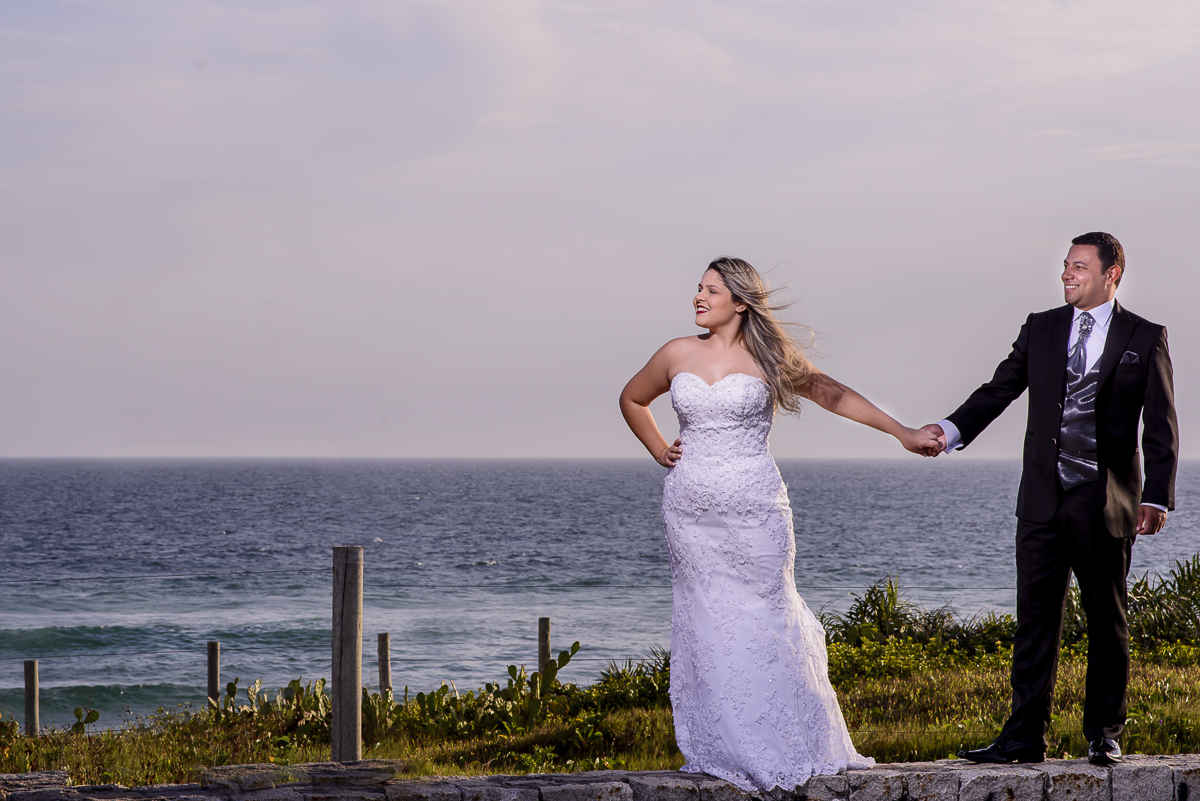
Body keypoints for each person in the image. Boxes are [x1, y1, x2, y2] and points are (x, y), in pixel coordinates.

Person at [619, 257, 941, 791]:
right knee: (706, 617)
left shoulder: (770, 359)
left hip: (757, 510)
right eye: (698, 289)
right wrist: (659, 448)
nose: (699, 298)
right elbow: (632, 398)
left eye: (712, 290)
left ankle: (788, 739)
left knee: (768, 611)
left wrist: (902, 432)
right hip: (690, 514)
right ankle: (725, 744)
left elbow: (835, 395)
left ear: (741, 302)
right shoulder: (676, 352)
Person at [924, 232, 1178, 766]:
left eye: (1079, 267)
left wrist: (1156, 497)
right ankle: (1022, 737)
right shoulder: (1040, 328)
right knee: (1035, 620)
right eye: (1065, 265)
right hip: (1041, 498)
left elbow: (1159, 425)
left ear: (1111, 274)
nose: (1066, 274)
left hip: (1104, 500)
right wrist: (948, 430)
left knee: (1107, 620)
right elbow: (999, 389)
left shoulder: (1145, 336)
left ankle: (1104, 733)